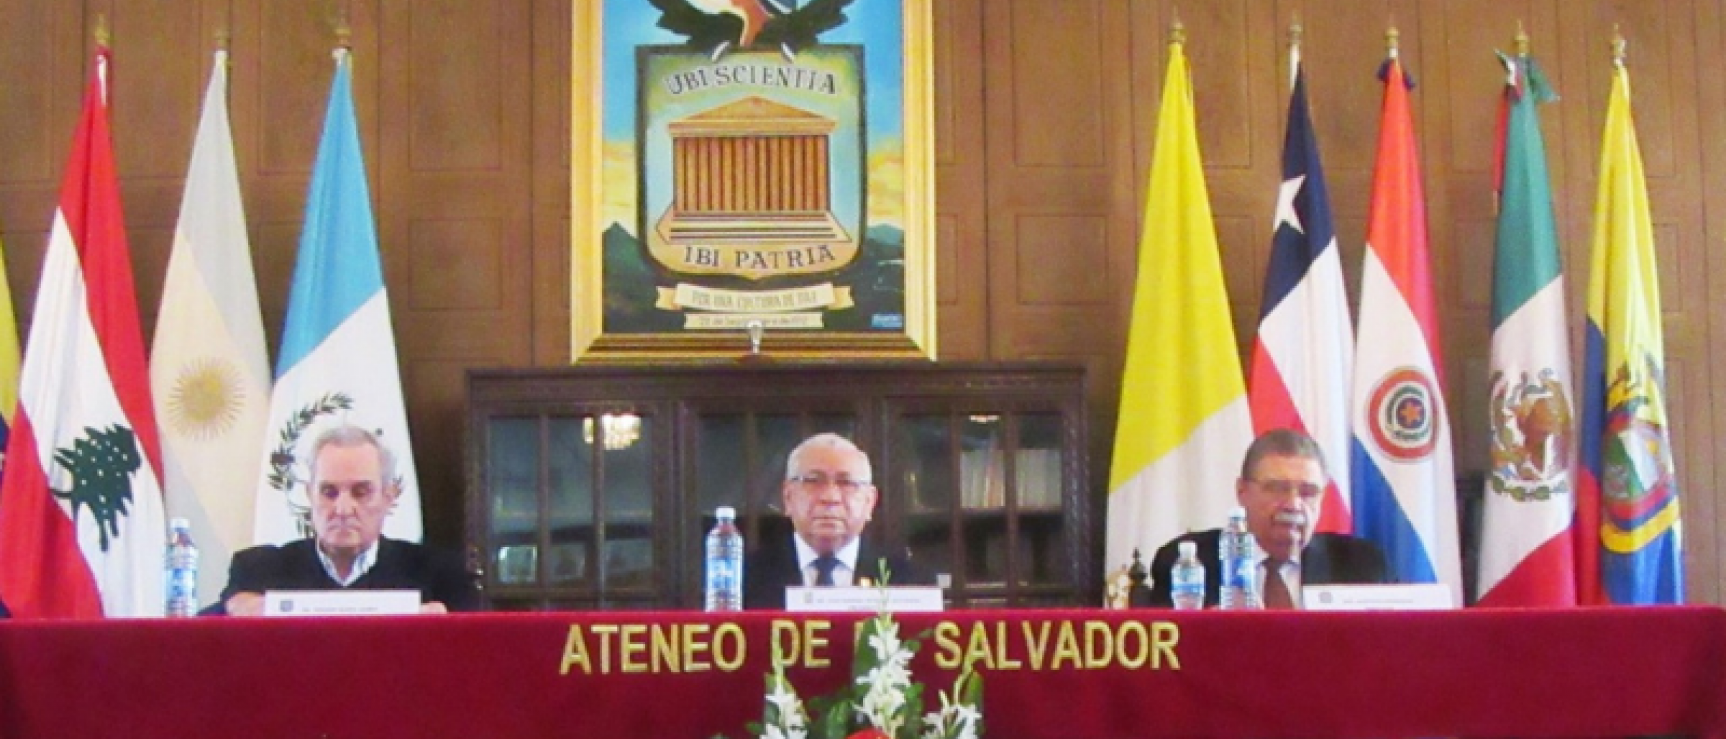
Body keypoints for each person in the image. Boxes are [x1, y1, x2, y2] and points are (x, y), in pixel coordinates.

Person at [211, 425, 478, 616]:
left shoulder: (439, 576)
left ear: (388, 497)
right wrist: (231, 609)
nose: (343, 509)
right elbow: (201, 635)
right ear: (309, 495)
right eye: (329, 492)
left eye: (361, 492)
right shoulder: (259, 572)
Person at [1147, 428, 1388, 609]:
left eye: (1308, 492)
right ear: (1242, 492)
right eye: (1277, 488)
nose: (1294, 504)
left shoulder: (1361, 566)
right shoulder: (1189, 562)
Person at [743, 432, 929, 610]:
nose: (830, 497)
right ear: (788, 497)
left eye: (846, 483)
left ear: (869, 501)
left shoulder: (909, 581)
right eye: (813, 480)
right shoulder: (745, 577)